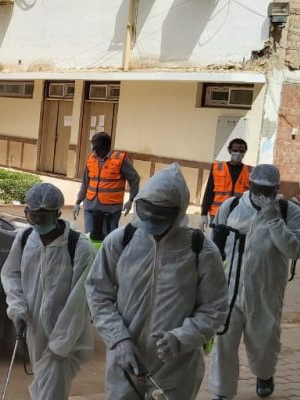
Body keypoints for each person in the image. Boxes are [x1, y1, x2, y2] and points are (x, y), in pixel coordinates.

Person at [85, 164, 228, 399]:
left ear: (179, 212)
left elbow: (215, 307)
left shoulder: (200, 250)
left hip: (176, 367)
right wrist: (118, 338)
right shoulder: (121, 241)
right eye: (147, 211)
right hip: (125, 359)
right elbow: (97, 293)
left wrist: (182, 338)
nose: (151, 219)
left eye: (160, 215)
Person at [208, 164, 300, 400]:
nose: (261, 194)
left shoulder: (289, 212)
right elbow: (214, 247)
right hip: (230, 290)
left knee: (264, 342)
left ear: (276, 188)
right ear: (250, 184)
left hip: (265, 291)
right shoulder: (231, 207)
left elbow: (296, 249)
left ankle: (264, 374)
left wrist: (274, 221)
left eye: (267, 190)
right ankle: (222, 391)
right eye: (257, 188)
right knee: (223, 342)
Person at [1, 183, 96, 399]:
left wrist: (60, 344)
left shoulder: (79, 247)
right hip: (35, 330)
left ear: (57, 214)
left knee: (51, 393)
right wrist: (17, 308)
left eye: (42, 217)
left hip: (66, 339)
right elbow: (10, 274)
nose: (36, 222)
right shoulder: (25, 239)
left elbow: (79, 301)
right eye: (31, 215)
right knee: (43, 388)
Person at [74, 132, 140, 241]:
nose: (94, 150)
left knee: (108, 240)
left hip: (110, 209)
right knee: (89, 239)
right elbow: (85, 182)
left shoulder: (119, 159)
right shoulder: (92, 158)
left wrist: (131, 200)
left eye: (96, 147)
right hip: (90, 206)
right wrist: (78, 201)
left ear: (105, 146)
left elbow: (134, 179)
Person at [200, 139, 252, 230]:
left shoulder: (250, 171)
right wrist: (204, 214)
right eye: (235, 150)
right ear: (229, 150)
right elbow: (209, 191)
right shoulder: (217, 168)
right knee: (216, 238)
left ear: (245, 152)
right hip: (217, 213)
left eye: (241, 151)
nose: (238, 153)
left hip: (239, 215)